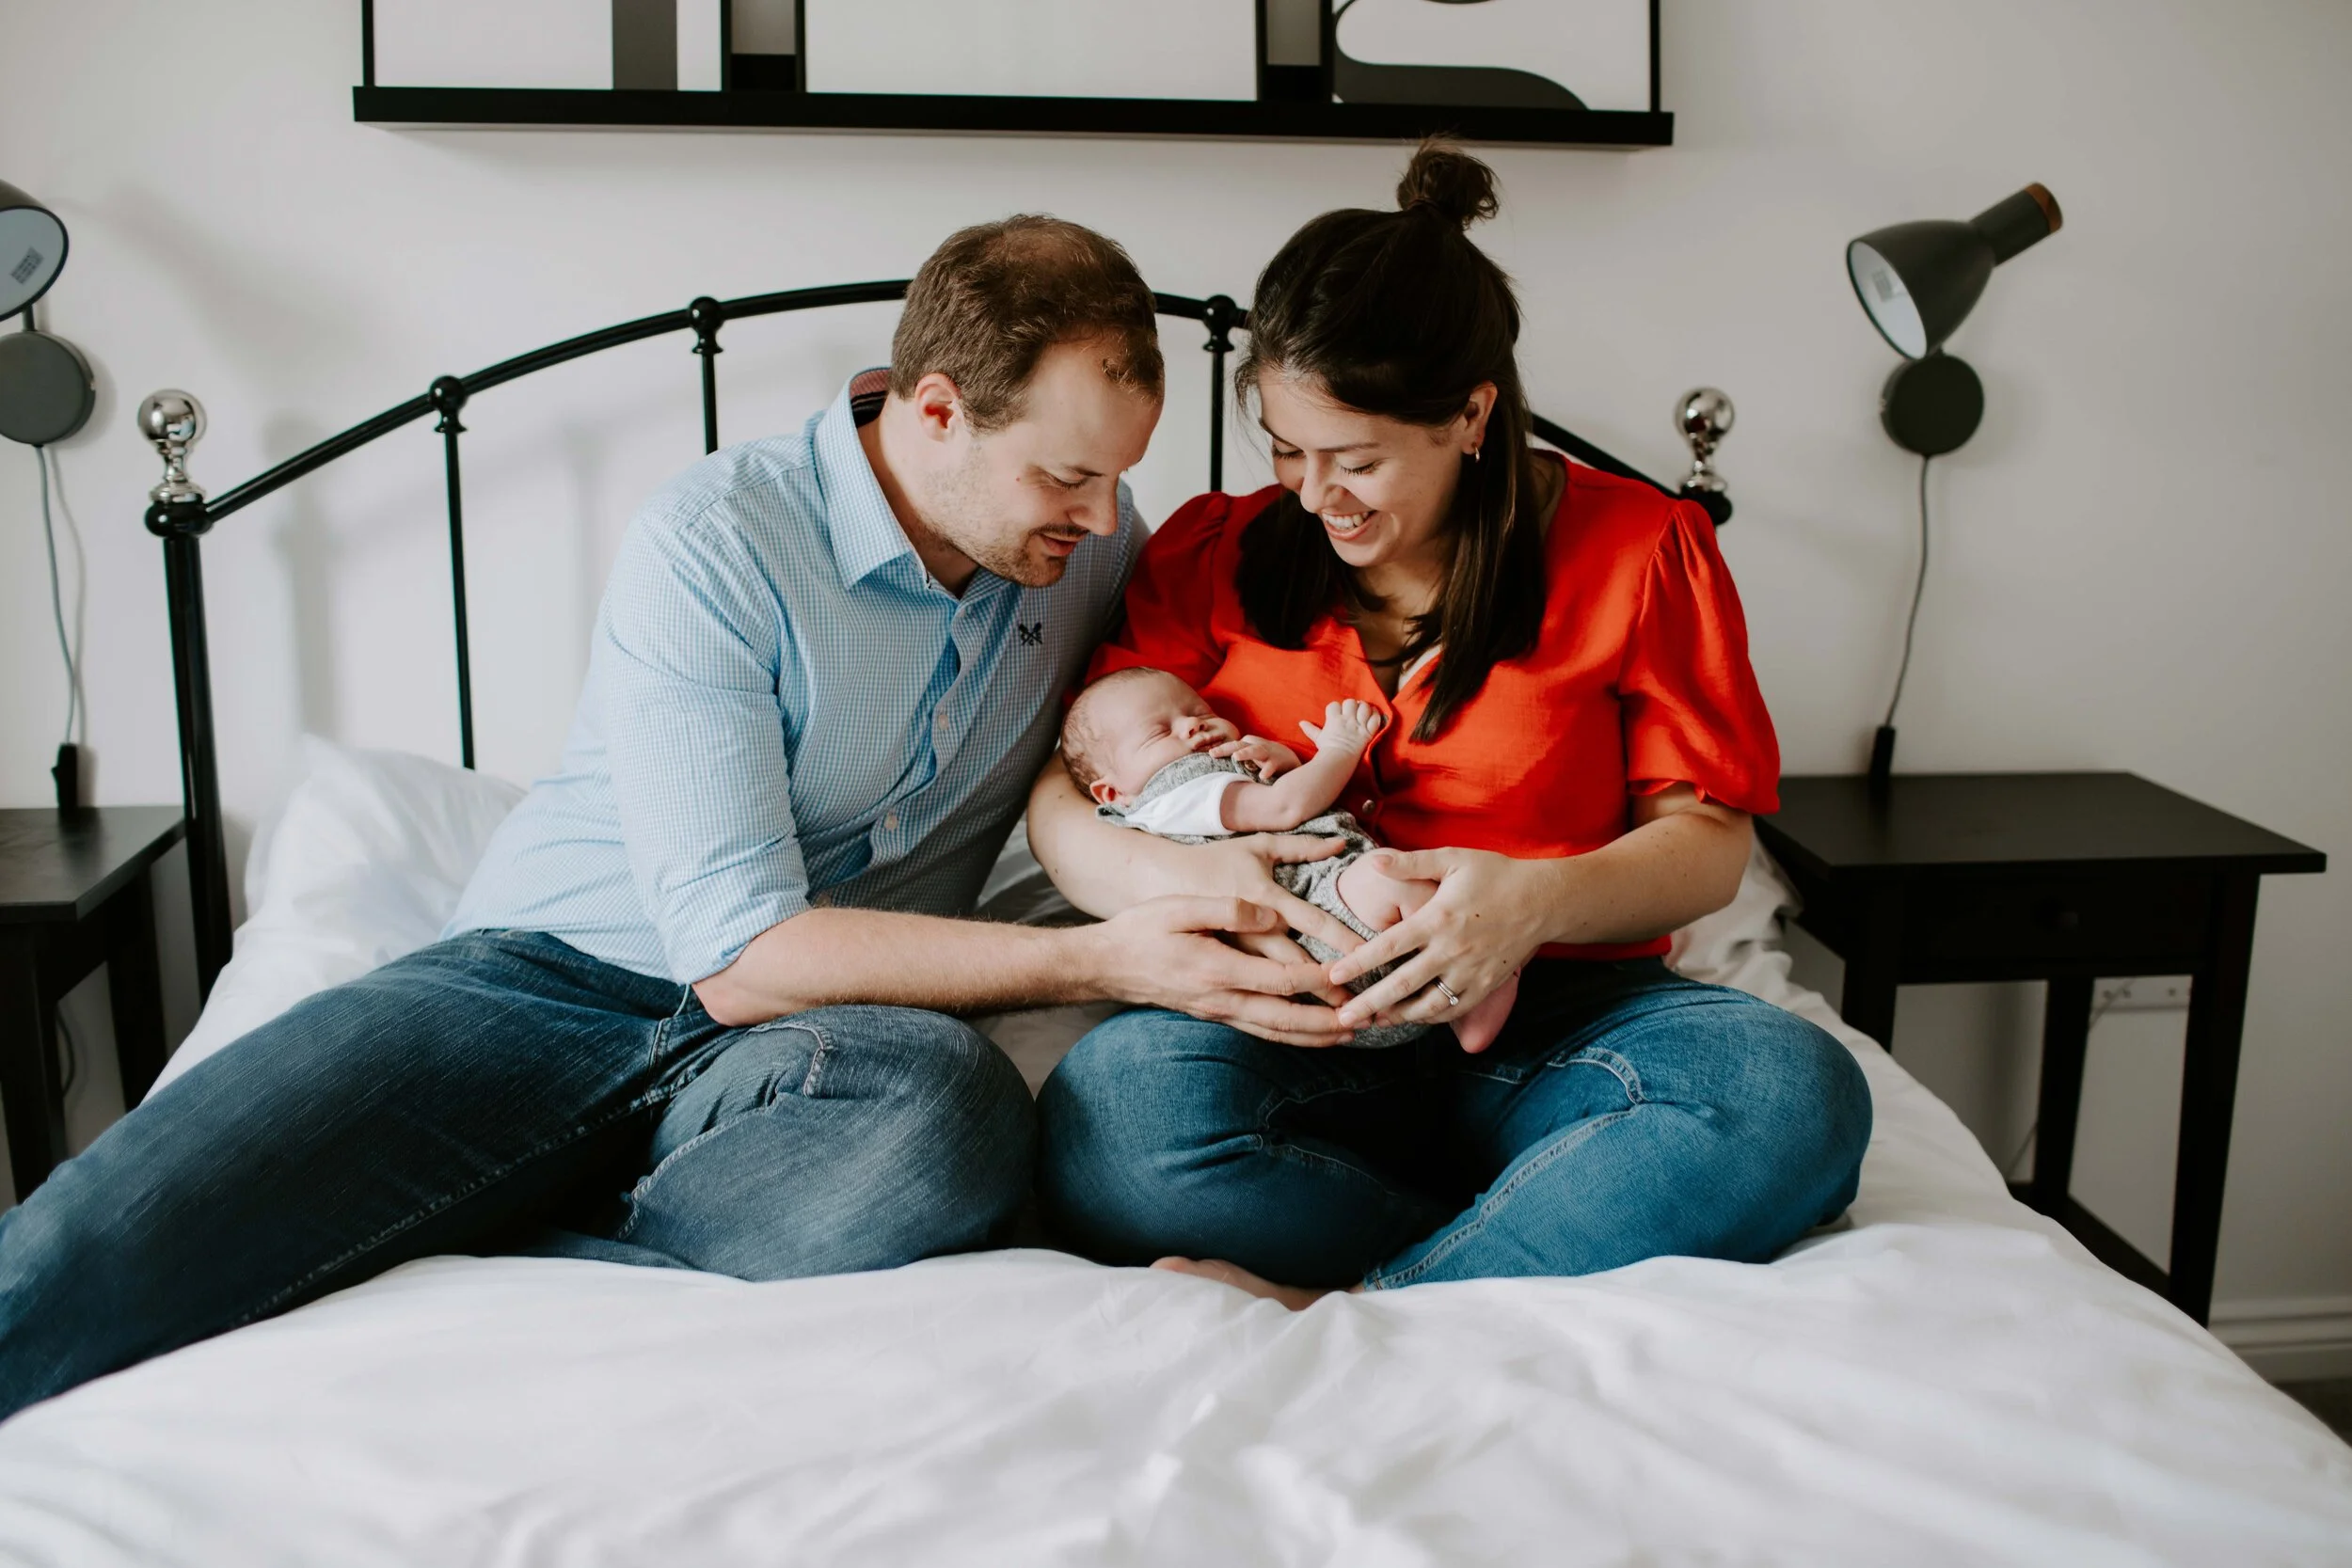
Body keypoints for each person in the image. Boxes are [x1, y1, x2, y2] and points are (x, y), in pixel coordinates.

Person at [0, 215, 1351, 1421]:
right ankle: (519, 1204)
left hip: (813, 1051)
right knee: (106, 1240)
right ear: (936, 409)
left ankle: (526, 1238)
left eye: (1120, 477)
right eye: (1067, 477)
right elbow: (740, 946)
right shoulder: (719, 538)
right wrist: (1097, 956)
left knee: (952, 1113)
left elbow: (1125, 743)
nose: (1106, 515)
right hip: (545, 984)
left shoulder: (1092, 554)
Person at [1027, 142, 1874, 1307]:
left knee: (1790, 1096)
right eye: (1284, 448)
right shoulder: (1214, 549)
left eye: (1357, 459)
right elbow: (1070, 792)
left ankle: (1372, 1296)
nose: (1314, 494)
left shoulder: (1640, 549)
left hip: (1558, 1015)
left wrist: (1533, 903)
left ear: (1470, 412)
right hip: (1292, 1011)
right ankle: (1546, 1224)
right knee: (1111, 1124)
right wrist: (1215, 888)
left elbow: (1709, 843)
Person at [1059, 665, 1519, 1050]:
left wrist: (1277, 761)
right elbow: (1286, 807)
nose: (1192, 725)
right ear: (1112, 793)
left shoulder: (1196, 791)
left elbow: (1274, 800)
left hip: (1331, 976)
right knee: (1410, 884)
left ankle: (1467, 1012)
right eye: (1160, 731)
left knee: (1438, 906)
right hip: (1327, 913)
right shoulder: (1176, 791)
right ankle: (1477, 1004)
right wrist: (1339, 749)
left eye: (1199, 711)